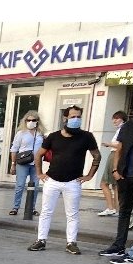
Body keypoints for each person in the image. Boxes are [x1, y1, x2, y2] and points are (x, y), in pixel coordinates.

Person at [28, 105, 100, 255]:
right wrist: (40, 173)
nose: (76, 119)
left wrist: (89, 176)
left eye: (79, 117)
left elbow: (97, 156)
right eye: (73, 116)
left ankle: (71, 243)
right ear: (65, 118)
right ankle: (41, 240)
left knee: (72, 213)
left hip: (73, 182)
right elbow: (38, 155)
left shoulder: (87, 136)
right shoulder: (54, 136)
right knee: (46, 211)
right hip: (52, 180)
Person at [100, 115, 133, 259]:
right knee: (124, 211)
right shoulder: (128, 126)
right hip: (126, 174)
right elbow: (119, 148)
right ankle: (119, 246)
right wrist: (115, 170)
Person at [7, 111, 44, 216]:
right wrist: (13, 164)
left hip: (36, 163)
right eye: (29, 120)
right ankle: (15, 207)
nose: (31, 122)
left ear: (37, 121)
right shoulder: (21, 133)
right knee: (20, 185)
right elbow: (14, 149)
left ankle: (32, 207)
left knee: (35, 186)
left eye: (34, 120)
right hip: (23, 162)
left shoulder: (41, 134)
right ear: (25, 121)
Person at [97, 111, 127, 217]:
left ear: (123, 119)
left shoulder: (122, 130)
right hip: (116, 155)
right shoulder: (121, 130)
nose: (114, 120)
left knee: (104, 183)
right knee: (115, 185)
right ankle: (117, 209)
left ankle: (111, 208)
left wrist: (108, 144)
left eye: (117, 118)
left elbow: (120, 145)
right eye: (113, 118)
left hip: (114, 155)